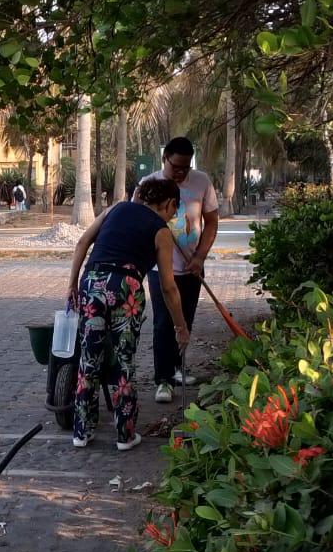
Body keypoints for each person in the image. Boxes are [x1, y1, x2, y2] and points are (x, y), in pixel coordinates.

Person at [66, 178, 190, 450]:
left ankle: (81, 432)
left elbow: (82, 244)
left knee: (89, 358)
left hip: (92, 282)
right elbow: (168, 286)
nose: (173, 216)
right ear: (169, 204)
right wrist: (181, 327)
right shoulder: (161, 231)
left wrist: (72, 285)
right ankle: (124, 434)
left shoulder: (116, 209)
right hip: (126, 288)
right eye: (174, 210)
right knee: (124, 361)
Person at [134, 137, 220, 403]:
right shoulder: (148, 185)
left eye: (186, 167)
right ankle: (163, 380)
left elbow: (212, 223)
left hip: (191, 267)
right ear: (165, 160)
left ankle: (177, 369)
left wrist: (200, 257)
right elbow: (135, 220)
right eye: (176, 167)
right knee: (163, 322)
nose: (181, 173)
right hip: (161, 269)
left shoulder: (202, 181)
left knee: (185, 321)